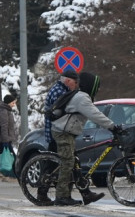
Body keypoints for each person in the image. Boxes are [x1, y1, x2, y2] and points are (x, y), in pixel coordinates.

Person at [47, 69, 118, 206]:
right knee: (67, 162)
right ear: (91, 86)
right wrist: (112, 126)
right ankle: (61, 197)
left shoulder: (82, 96)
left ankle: (86, 194)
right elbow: (95, 115)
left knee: (74, 162)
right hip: (63, 132)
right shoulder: (82, 98)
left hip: (67, 131)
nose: (97, 90)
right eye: (96, 87)